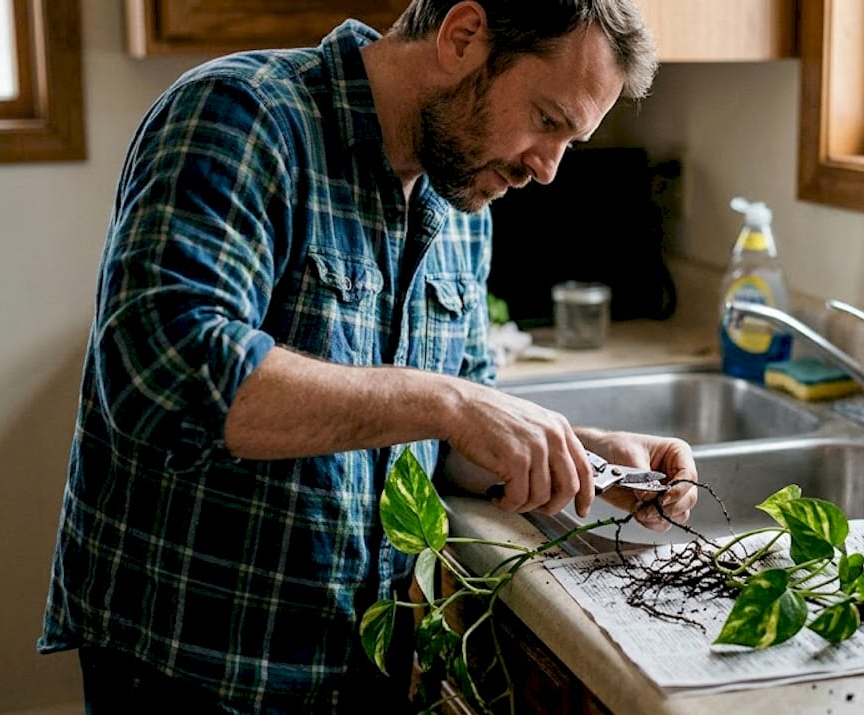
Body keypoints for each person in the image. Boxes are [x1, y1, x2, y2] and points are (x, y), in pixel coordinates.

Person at [38, 1, 698, 711]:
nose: (547, 170)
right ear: (463, 36)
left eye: (571, 141)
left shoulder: (461, 203)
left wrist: (587, 457)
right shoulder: (242, 116)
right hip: (196, 668)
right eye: (547, 121)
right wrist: (449, 402)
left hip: (360, 668)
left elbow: (450, 439)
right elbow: (161, 376)